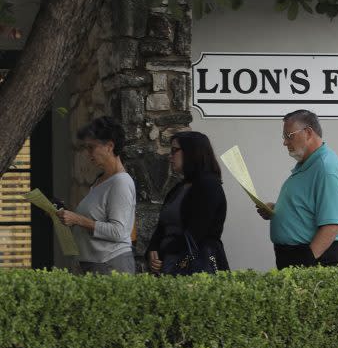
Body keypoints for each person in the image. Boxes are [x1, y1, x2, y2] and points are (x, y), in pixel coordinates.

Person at [257, 109, 338, 269]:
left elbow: (332, 225)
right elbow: (307, 205)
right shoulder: (309, 164)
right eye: (284, 137)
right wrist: (277, 210)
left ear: (308, 133)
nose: (285, 142)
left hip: (316, 259)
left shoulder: (326, 168)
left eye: (289, 136)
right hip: (301, 256)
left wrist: (305, 262)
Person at [57, 116, 136, 274]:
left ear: (109, 146)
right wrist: (66, 215)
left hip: (111, 265)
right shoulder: (101, 180)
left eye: (91, 147)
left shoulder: (120, 182)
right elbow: (93, 221)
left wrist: (78, 219)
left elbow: (119, 231)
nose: (88, 154)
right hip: (96, 265)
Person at [146, 131, 229, 275]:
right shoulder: (179, 187)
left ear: (192, 152)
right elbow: (162, 226)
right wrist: (153, 250)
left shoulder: (209, 186)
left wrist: (163, 250)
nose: (170, 156)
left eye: (174, 151)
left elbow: (197, 233)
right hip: (172, 264)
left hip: (197, 266)